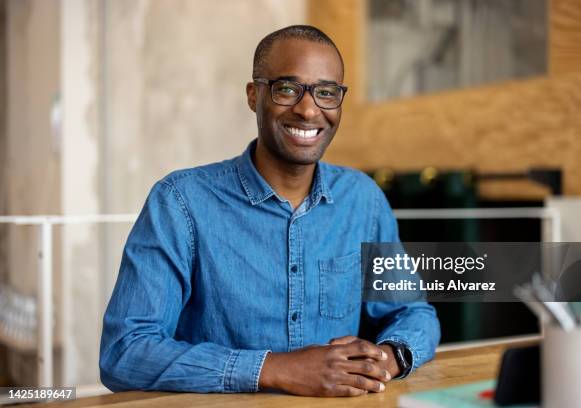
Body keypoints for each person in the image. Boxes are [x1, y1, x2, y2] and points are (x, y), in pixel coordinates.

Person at [100, 25, 440, 397]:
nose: (309, 109)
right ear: (253, 95)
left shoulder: (363, 199)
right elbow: (125, 351)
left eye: (326, 93)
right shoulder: (180, 202)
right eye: (287, 89)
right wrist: (273, 368)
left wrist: (387, 358)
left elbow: (413, 313)